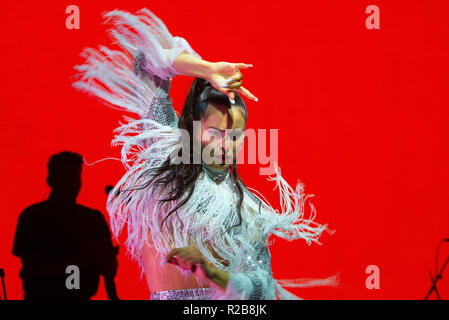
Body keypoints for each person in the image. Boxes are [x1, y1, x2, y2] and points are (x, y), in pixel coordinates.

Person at [73, 8, 337, 300]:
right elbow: (147, 63)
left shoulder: (247, 208)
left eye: (234, 136)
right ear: (193, 129)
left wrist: (212, 274)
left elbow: (260, 286)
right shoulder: (169, 160)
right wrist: (206, 69)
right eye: (215, 134)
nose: (226, 146)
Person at [12, 151, 119, 300]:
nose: (72, 184)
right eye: (66, 178)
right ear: (52, 180)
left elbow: (109, 272)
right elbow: (32, 267)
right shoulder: (33, 218)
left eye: (75, 177)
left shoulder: (92, 219)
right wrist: (80, 262)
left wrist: (105, 261)